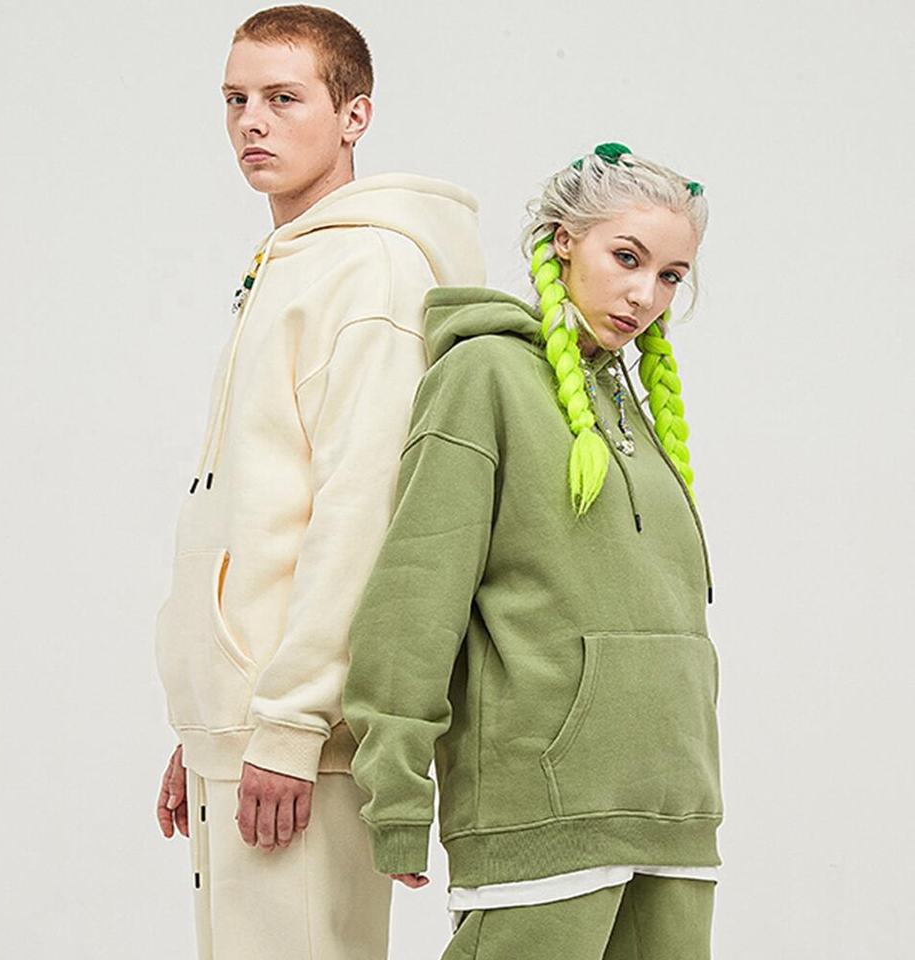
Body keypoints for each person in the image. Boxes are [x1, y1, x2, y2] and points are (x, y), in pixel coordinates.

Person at [151, 6, 485, 958]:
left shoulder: (369, 269)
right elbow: (255, 508)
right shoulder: (291, 263)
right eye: (235, 99)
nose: (251, 121)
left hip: (299, 741)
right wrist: (208, 719)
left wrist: (291, 728)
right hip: (247, 727)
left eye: (283, 98)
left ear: (354, 115)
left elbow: (361, 513)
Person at [342, 142, 723, 958]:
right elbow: (418, 589)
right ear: (562, 241)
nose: (644, 295)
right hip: (542, 810)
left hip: (672, 812)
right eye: (626, 258)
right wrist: (397, 790)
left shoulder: (628, 404)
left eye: (670, 276)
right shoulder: (484, 374)